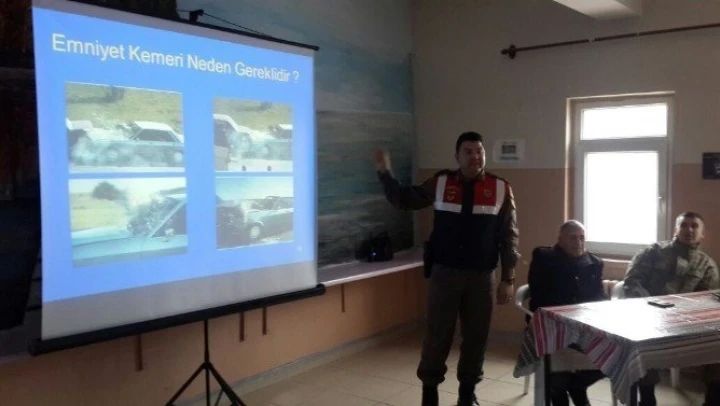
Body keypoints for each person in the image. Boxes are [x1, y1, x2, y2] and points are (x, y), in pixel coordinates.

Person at [374, 131, 519, 406]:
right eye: (468, 152)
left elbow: (509, 236)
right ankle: (429, 393)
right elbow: (405, 199)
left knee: (476, 337)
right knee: (437, 335)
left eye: (479, 151)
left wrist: (508, 278)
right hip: (445, 274)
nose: (475, 157)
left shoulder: (501, 188)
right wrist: (385, 173)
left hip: (481, 276)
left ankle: (467, 394)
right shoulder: (441, 182)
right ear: (457, 156)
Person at [623, 211, 720, 406]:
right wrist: (649, 307)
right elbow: (632, 282)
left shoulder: (707, 265)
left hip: (687, 325)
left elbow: (709, 300)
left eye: (694, 226)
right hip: (650, 319)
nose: (689, 230)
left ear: (702, 234)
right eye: (683, 225)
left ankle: (713, 397)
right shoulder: (653, 252)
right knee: (638, 339)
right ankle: (647, 397)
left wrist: (687, 315)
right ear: (676, 229)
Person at [527, 220, 606, 406]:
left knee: (617, 351)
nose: (578, 242)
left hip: (586, 325)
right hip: (551, 324)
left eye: (582, 238)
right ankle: (561, 394)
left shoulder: (594, 263)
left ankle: (577, 386)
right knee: (557, 371)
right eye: (572, 237)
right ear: (560, 239)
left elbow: (600, 297)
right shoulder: (544, 258)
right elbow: (539, 296)